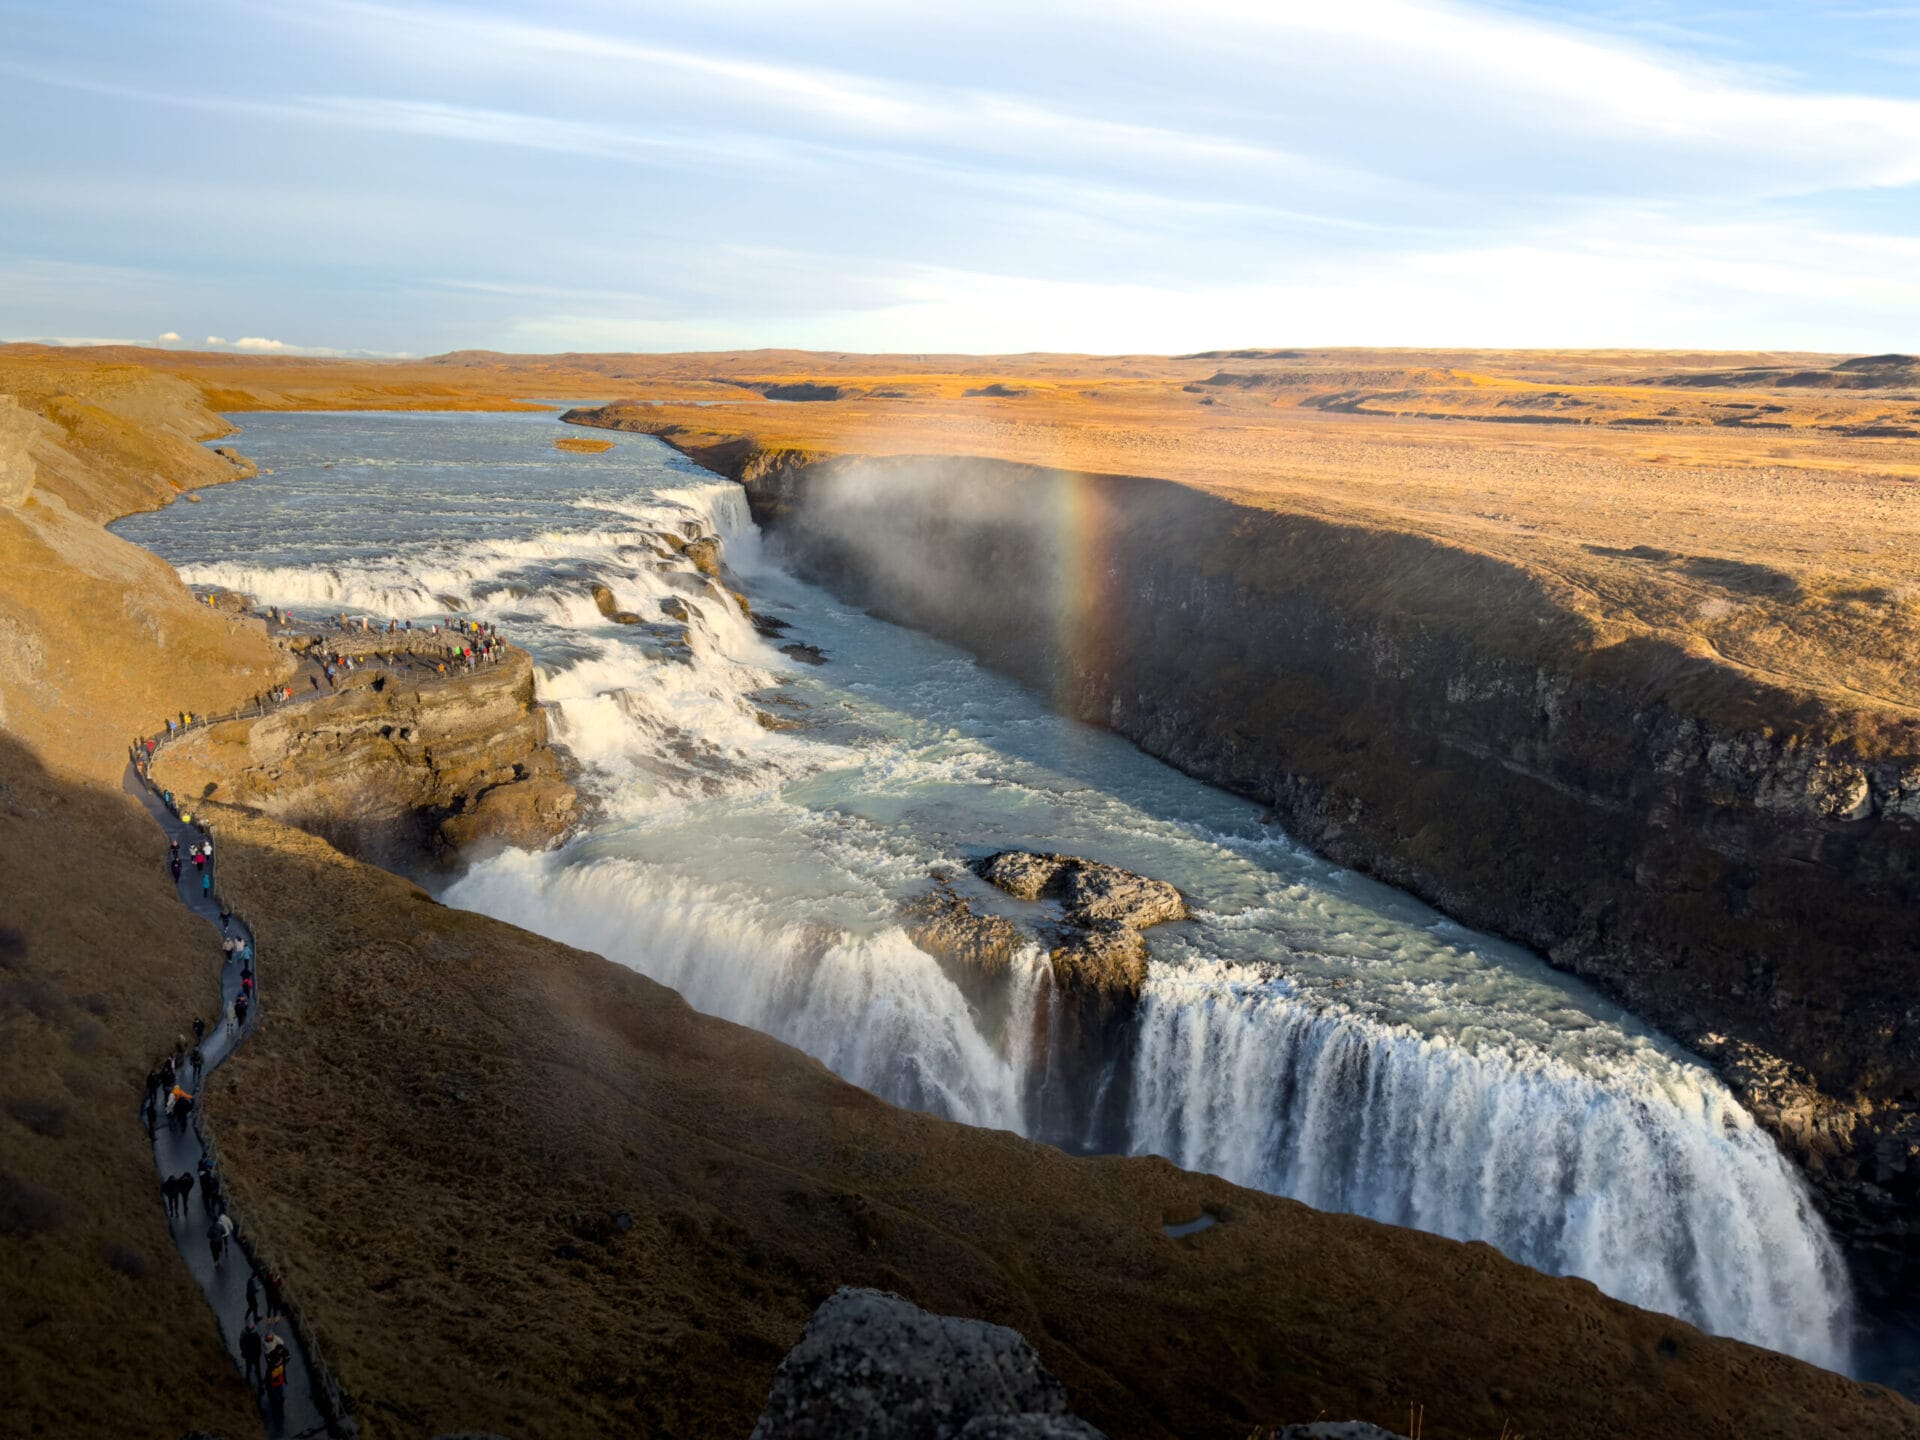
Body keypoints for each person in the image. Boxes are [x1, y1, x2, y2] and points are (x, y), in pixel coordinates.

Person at [239, 1317, 263, 1387]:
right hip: (253, 1355)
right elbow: (259, 1344)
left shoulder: (244, 1333)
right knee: (256, 1370)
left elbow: (241, 1343)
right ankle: (259, 1384)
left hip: (250, 1355)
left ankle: (250, 1383)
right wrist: (259, 1353)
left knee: (250, 1369)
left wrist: (243, 1351)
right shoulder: (255, 1334)